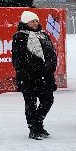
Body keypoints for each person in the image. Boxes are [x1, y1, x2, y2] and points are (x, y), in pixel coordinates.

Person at [11, 10, 58, 140]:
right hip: (28, 77)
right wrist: (30, 71)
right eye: (33, 21)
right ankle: (33, 128)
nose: (36, 23)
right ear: (26, 22)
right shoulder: (19, 37)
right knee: (31, 103)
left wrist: (50, 66)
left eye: (36, 20)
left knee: (48, 100)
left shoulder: (44, 35)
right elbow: (19, 59)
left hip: (45, 76)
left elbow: (51, 54)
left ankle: (38, 123)